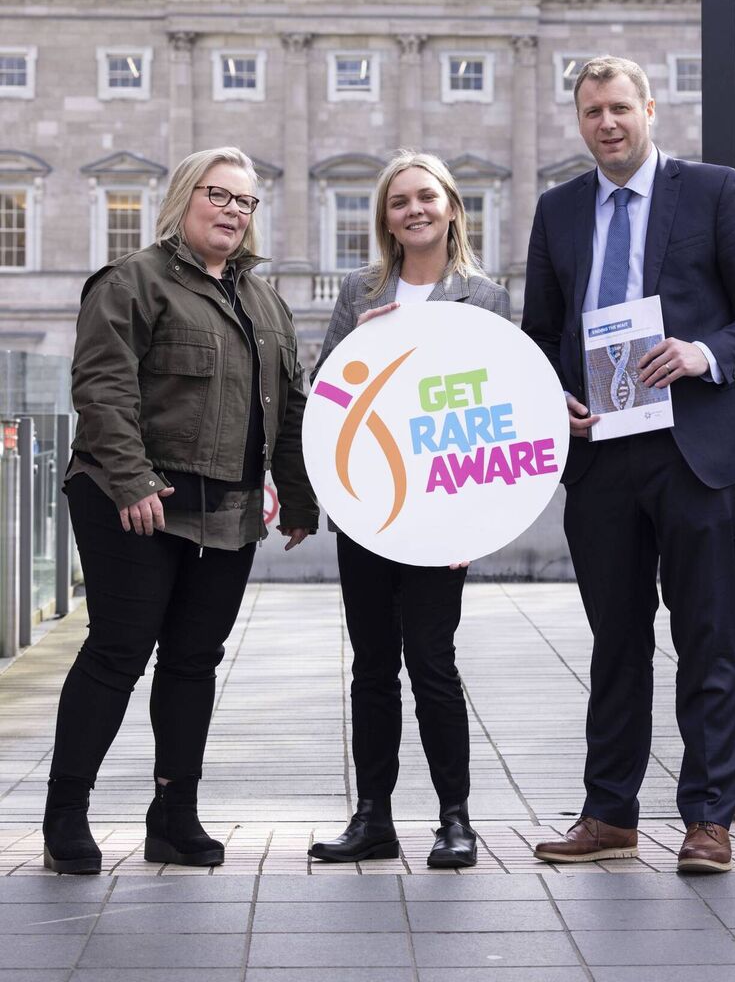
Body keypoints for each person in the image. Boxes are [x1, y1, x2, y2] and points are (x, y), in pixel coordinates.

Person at [522, 57, 735, 873]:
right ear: (580, 121)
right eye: (592, 112)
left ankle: (709, 818)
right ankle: (609, 814)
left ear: (648, 109)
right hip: (600, 454)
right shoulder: (559, 209)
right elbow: (541, 333)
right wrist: (553, 396)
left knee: (706, 636)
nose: (606, 124)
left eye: (619, 109)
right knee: (615, 642)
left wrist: (703, 352)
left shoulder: (710, 191)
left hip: (692, 450)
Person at [43, 146, 318, 875]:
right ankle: (65, 814)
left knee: (195, 661)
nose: (233, 211)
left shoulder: (266, 303)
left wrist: (296, 495)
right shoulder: (133, 282)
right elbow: (103, 388)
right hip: (132, 500)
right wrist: (131, 481)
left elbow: (286, 411)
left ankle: (173, 817)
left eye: (246, 202)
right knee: (118, 651)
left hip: (226, 510)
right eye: (219, 195)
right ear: (184, 198)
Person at [308, 150, 510, 869]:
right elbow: (325, 394)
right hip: (368, 505)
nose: (414, 210)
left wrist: (477, 522)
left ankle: (455, 818)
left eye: (427, 197)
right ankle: (373, 816)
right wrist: (365, 340)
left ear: (452, 206)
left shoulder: (484, 298)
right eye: (399, 202)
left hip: (440, 518)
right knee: (370, 665)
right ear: (385, 219)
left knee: (431, 659)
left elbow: (495, 412)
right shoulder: (359, 291)